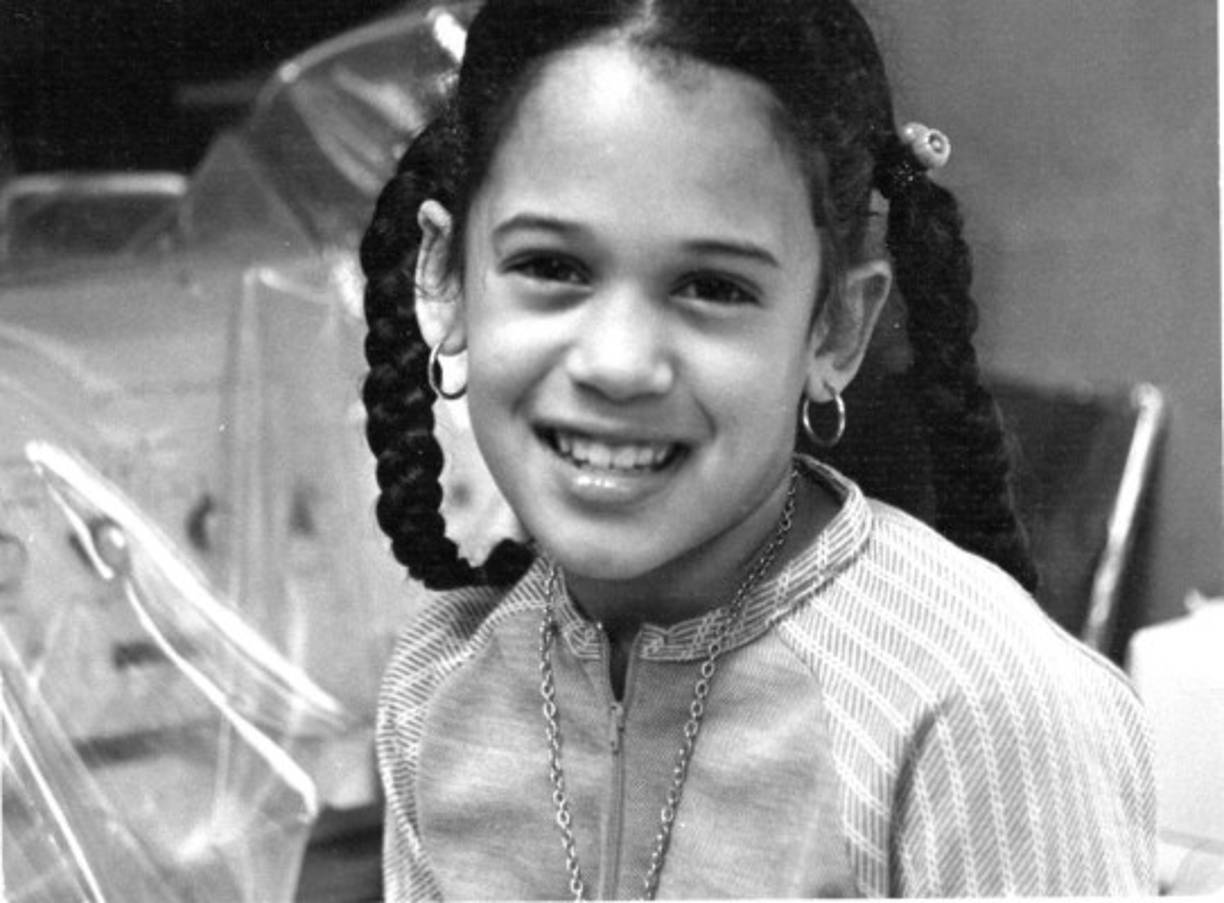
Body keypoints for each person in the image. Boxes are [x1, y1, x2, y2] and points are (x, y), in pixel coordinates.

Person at [360, 0, 1156, 897]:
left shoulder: (976, 710)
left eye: (712, 286)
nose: (618, 363)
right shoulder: (441, 684)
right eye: (551, 267)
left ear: (835, 328)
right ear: (446, 279)